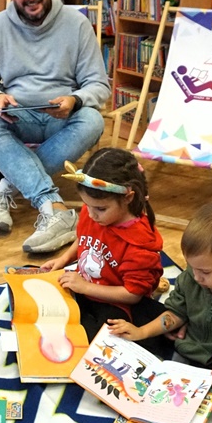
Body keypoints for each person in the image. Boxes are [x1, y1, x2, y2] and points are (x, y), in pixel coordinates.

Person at [0, 0, 110, 253]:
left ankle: (4, 190)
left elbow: (99, 85)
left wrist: (75, 99)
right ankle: (53, 207)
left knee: (93, 120)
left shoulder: (77, 24)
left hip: (64, 119)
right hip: (19, 116)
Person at [108, 202, 212, 385]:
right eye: (191, 267)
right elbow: (176, 311)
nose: (196, 277)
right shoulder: (193, 276)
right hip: (185, 346)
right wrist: (141, 332)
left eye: (205, 272)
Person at [40, 148, 168, 356]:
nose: (90, 214)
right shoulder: (94, 213)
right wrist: (63, 259)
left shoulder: (140, 244)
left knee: (96, 346)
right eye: (86, 205)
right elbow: (83, 239)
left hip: (118, 302)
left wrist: (84, 287)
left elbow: (132, 294)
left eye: (100, 209)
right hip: (86, 286)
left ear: (128, 198)